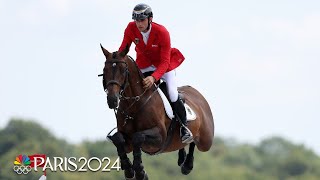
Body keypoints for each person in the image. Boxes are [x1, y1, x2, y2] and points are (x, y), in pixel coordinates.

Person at [118, 3, 193, 144]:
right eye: (136, 20)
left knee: (172, 93)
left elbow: (165, 61)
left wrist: (154, 77)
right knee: (132, 90)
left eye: (141, 20)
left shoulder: (162, 32)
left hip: (163, 67)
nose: (138, 24)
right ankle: (125, 127)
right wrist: (115, 59)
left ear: (150, 19)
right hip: (143, 66)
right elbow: (124, 49)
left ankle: (184, 128)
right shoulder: (130, 28)